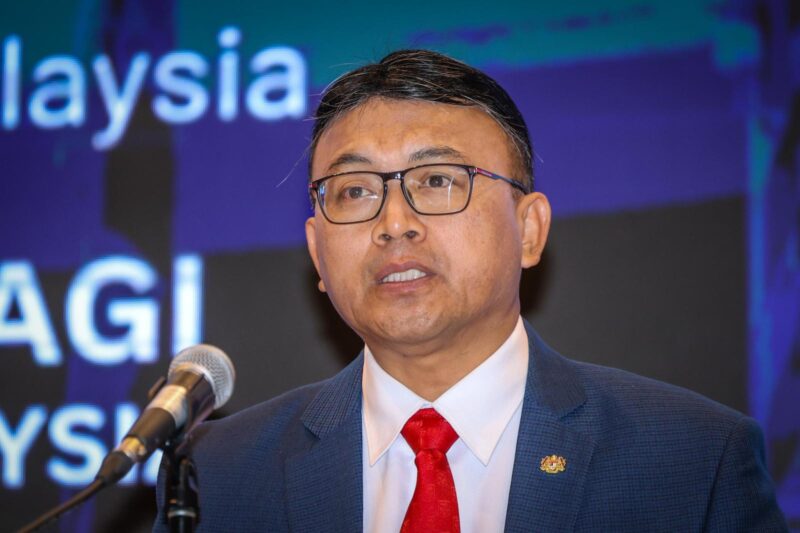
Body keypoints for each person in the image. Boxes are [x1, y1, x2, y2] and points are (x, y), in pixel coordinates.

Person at [154, 50, 788, 532]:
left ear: (529, 230)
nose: (394, 222)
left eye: (437, 180)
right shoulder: (220, 473)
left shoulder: (694, 461)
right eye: (355, 191)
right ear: (318, 253)